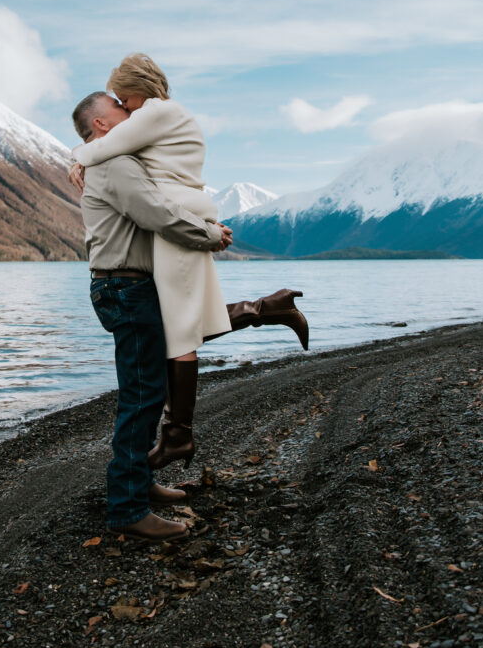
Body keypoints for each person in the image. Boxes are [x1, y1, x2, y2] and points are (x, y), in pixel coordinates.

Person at [70, 55, 308, 471]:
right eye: (118, 106)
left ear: (136, 89)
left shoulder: (155, 114)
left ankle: (177, 436)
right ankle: (269, 308)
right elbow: (113, 154)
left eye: (124, 100)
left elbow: (136, 187)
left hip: (174, 221)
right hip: (176, 221)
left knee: (177, 331)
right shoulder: (149, 125)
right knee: (175, 327)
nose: (125, 109)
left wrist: (78, 156)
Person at [72, 90, 233, 542]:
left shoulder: (110, 158)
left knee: (148, 389)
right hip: (126, 286)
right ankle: (126, 508)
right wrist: (210, 235)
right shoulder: (115, 164)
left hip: (124, 285)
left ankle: (138, 486)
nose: (131, 112)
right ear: (101, 124)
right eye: (120, 108)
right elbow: (159, 214)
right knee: (141, 397)